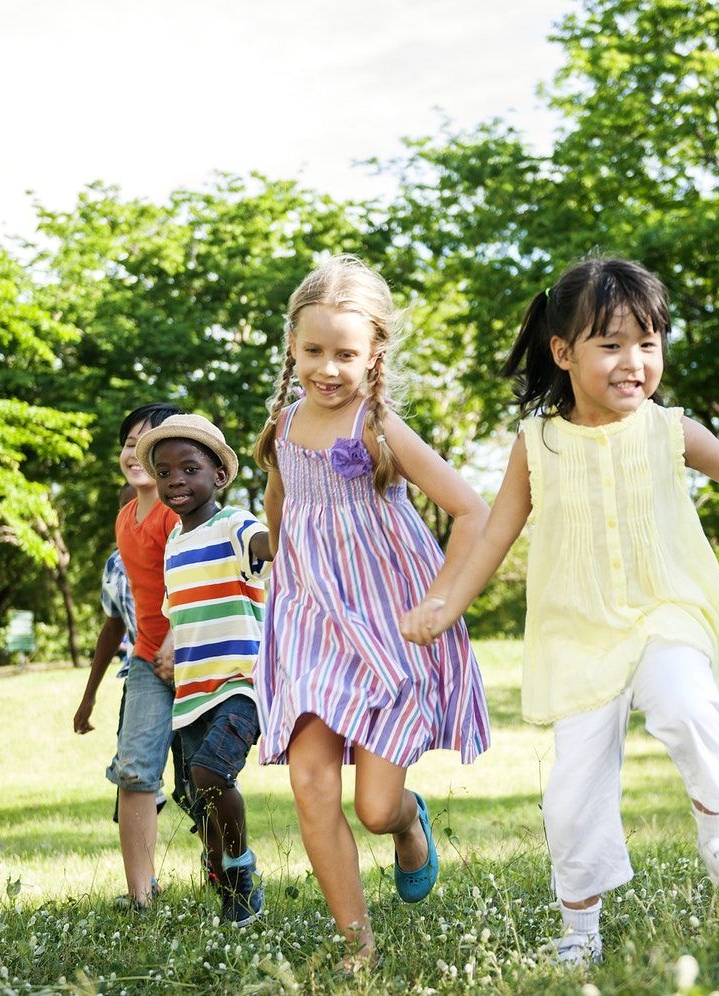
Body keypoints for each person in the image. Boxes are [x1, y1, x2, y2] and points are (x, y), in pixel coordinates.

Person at [399, 256, 719, 966]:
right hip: (578, 636)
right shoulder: (537, 444)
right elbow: (495, 534)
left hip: (667, 611)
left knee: (688, 706)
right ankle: (579, 932)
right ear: (563, 352)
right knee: (572, 794)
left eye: (648, 343)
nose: (634, 362)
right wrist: (444, 605)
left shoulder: (669, 428)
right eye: (612, 344)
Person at [252, 254, 491, 970]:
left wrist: (441, 603)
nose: (327, 368)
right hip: (311, 622)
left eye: (345, 354)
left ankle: (411, 824)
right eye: (313, 351)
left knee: (375, 807)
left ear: (375, 352)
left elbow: (471, 511)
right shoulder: (281, 429)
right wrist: (274, 564)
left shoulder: (380, 428)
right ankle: (357, 942)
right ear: (292, 348)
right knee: (310, 779)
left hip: (389, 623)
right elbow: (280, 504)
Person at [136, 413, 274, 927]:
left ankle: (241, 872)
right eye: (165, 471)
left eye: (189, 469)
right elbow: (182, 609)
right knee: (202, 804)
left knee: (211, 772)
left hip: (240, 682)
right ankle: (224, 876)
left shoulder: (235, 524)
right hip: (191, 691)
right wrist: (171, 648)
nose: (175, 480)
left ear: (218, 476)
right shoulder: (174, 544)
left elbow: (267, 547)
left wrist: (284, 503)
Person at [72, 403, 183, 909]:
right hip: (146, 662)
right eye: (128, 441)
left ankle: (231, 876)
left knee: (204, 779)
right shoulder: (125, 519)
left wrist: (176, 639)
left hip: (198, 656)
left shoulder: (177, 510)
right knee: (135, 772)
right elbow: (131, 606)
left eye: (150, 441)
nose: (135, 451)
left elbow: (197, 584)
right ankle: (141, 895)